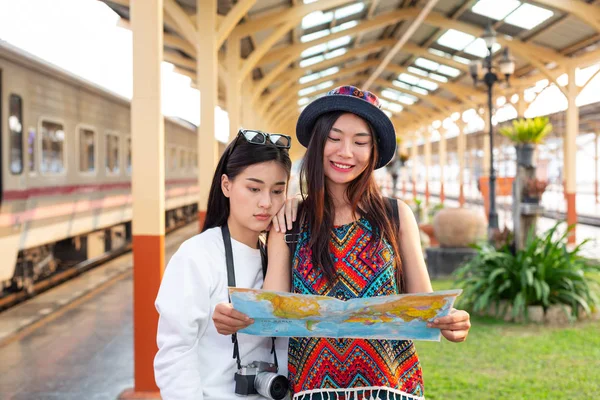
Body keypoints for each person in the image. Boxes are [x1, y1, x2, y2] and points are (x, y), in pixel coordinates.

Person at [215, 86, 471, 400]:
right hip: (313, 390)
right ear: (317, 143)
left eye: (360, 142)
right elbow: (273, 314)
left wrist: (452, 321)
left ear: (374, 150)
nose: (345, 152)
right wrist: (233, 314)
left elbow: (427, 309)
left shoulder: (396, 216)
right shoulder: (289, 222)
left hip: (391, 389)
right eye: (334, 138)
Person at [154, 128, 293, 400]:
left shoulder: (279, 254)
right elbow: (175, 354)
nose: (266, 202)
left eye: (278, 191)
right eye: (253, 188)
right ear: (226, 185)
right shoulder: (196, 256)